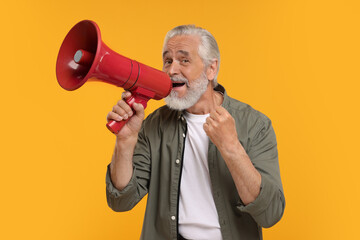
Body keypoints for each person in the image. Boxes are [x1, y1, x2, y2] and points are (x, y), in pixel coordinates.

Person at [105, 25, 285, 240]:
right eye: (168, 61)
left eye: (184, 60)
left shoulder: (255, 125)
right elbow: (121, 201)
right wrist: (125, 141)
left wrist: (231, 148)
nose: (172, 70)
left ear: (211, 69)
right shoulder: (154, 124)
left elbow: (270, 214)